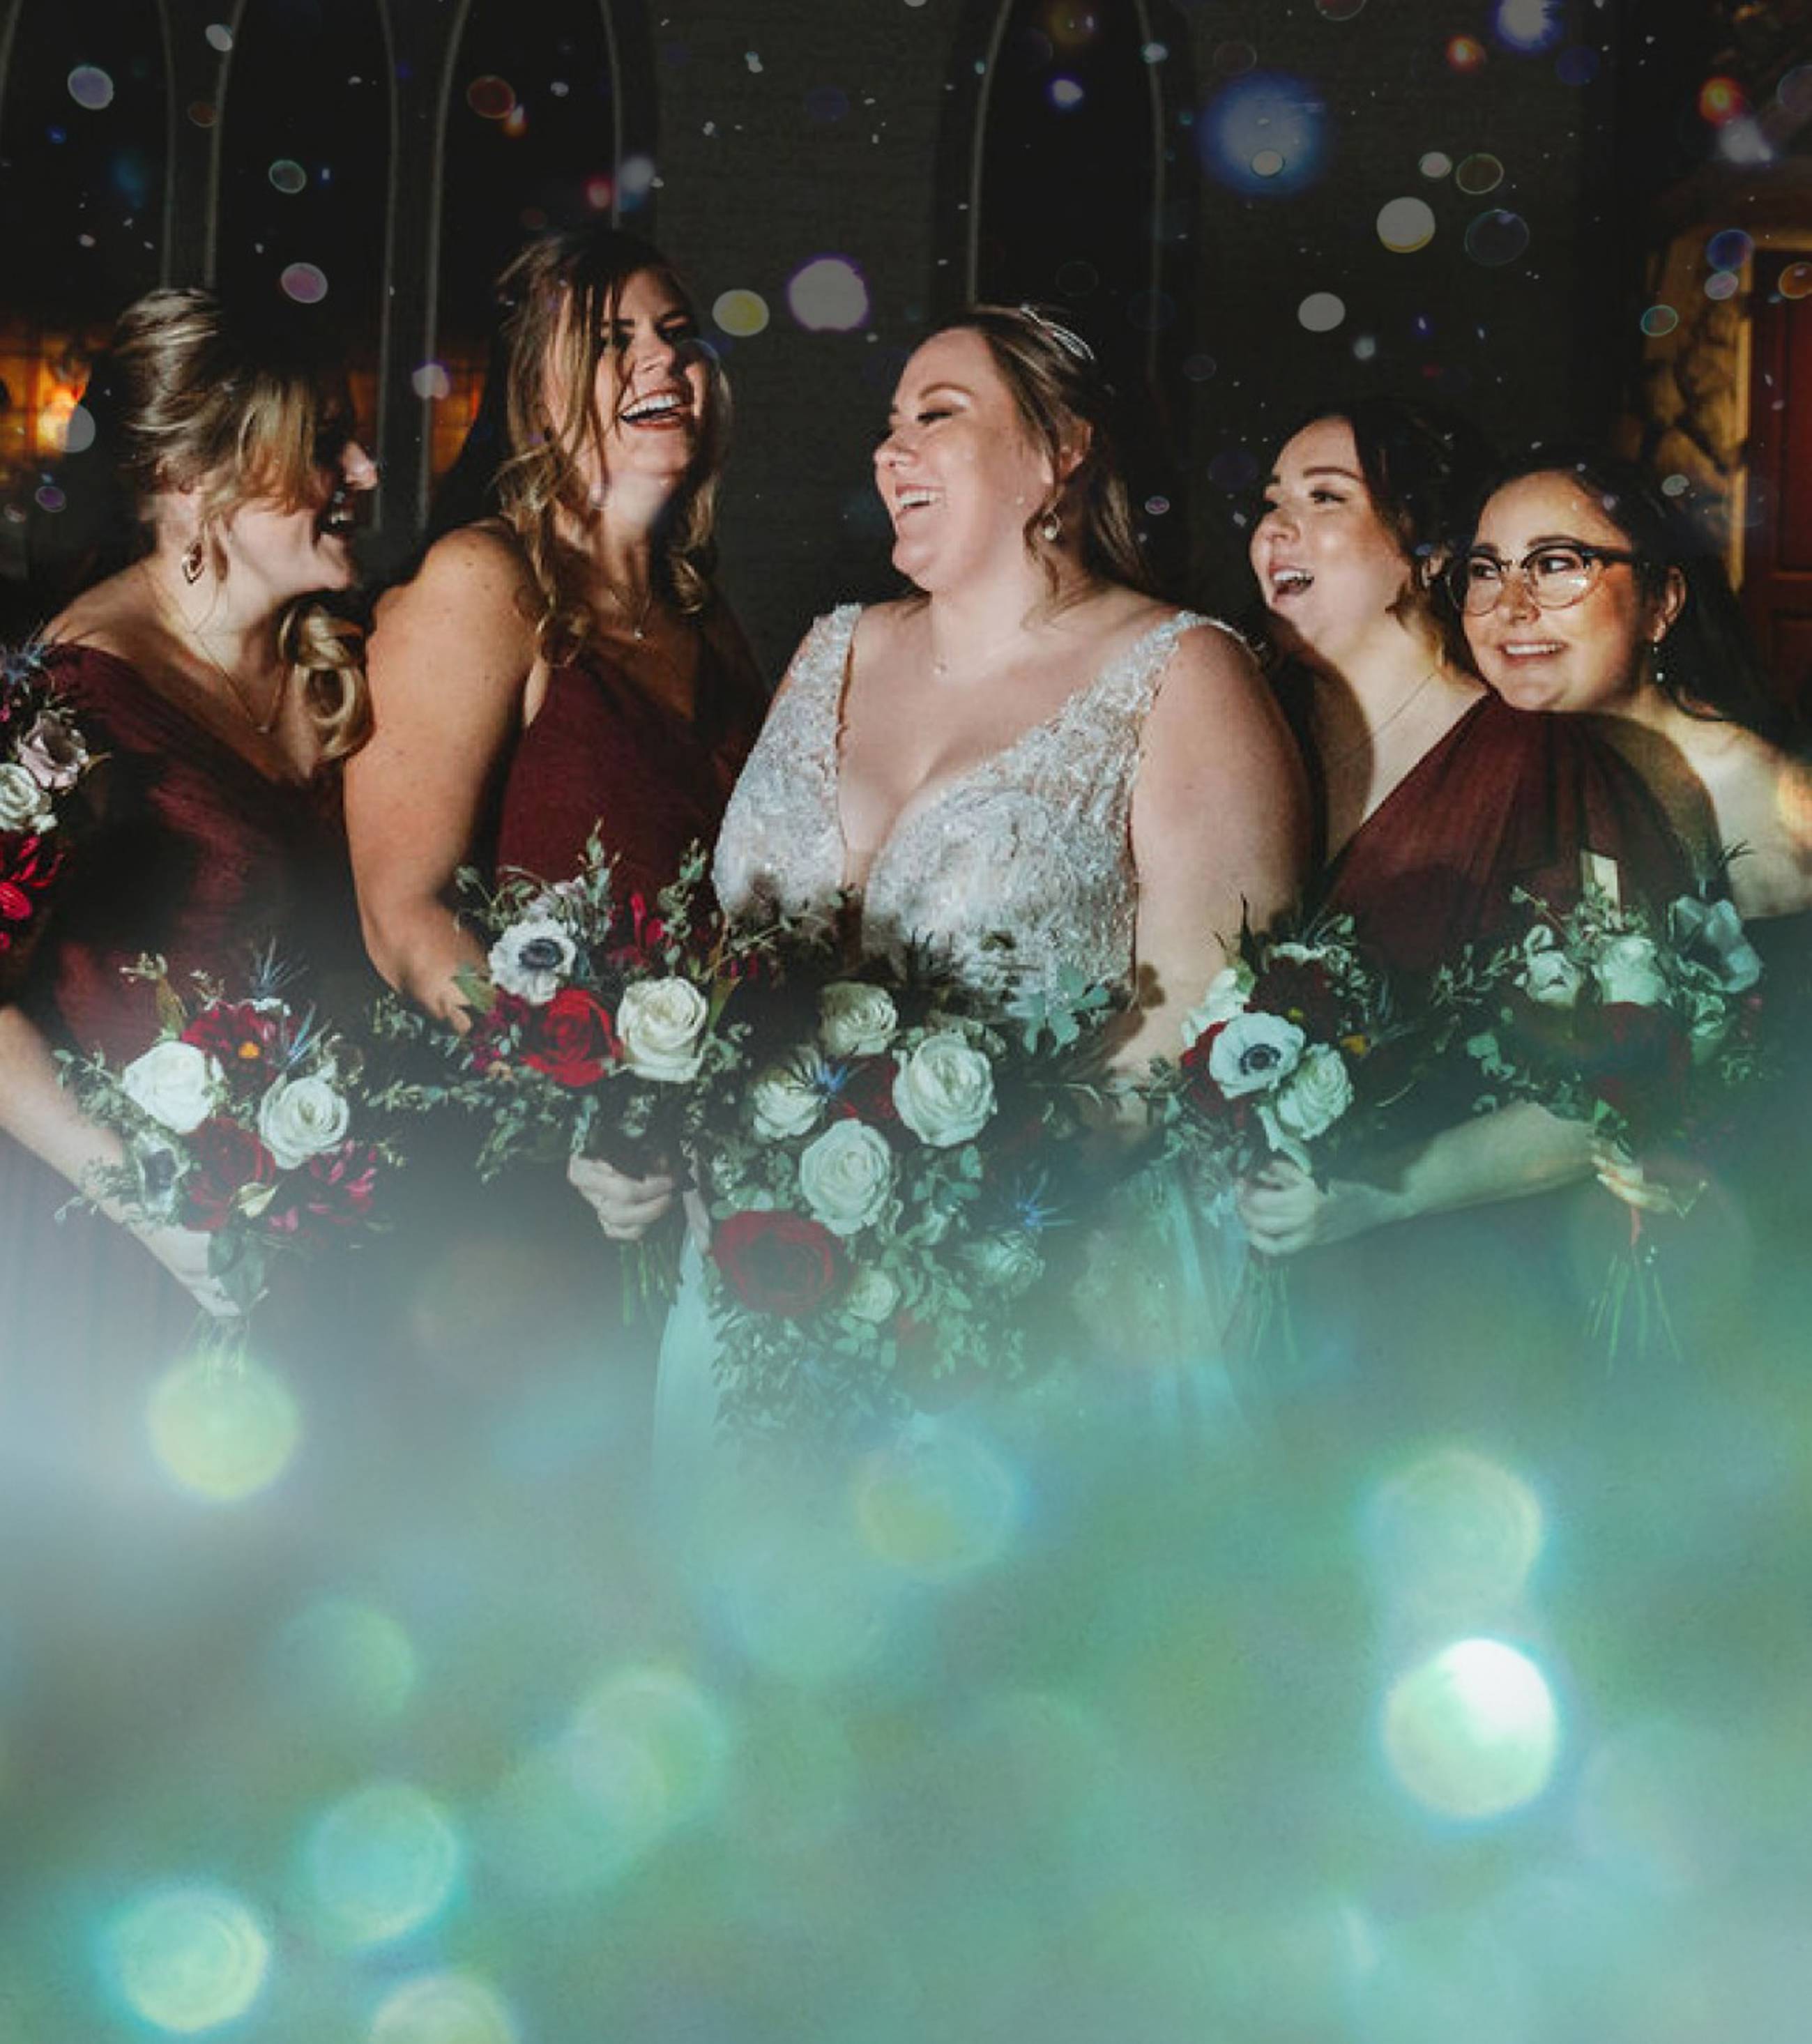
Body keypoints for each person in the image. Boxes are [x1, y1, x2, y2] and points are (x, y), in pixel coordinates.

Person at [614, 303, 1307, 1486]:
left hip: (1034, 1298)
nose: (890, 453)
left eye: (936, 416)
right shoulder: (829, 649)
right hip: (758, 1266)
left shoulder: (1182, 674)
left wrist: (932, 1194)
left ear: (1058, 452)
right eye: (887, 426)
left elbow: (1204, 1031)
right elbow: (727, 962)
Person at [1233, 400, 1705, 1448]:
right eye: (1267, 504)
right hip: (1252, 1297)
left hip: (1455, 1306)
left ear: (1421, 556)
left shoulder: (1536, 763)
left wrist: (1376, 1199)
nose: (1273, 531)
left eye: (1323, 499)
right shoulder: (1237, 728)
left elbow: (1609, 1090)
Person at [344, 224, 768, 1381]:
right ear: (533, 390)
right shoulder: (482, 583)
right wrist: (577, 1101)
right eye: (611, 340)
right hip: (522, 1183)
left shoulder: (703, 616)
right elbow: (402, 914)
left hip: (696, 1169)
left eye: (676, 337)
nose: (661, 363)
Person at [0, 285, 376, 1456]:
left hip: (311, 1247)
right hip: (120, 1263)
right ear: (196, 484)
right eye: (320, 445)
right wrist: (162, 1215)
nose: (361, 470)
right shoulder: (66, 700)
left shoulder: (331, 664)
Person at [1460, 449, 1812, 1345]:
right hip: (1538, 1275)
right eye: (1485, 569)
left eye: (1556, 563)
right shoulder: (1503, 778)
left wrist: (1722, 1147)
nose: (1511, 605)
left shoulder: (1767, 801)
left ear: (1661, 601)